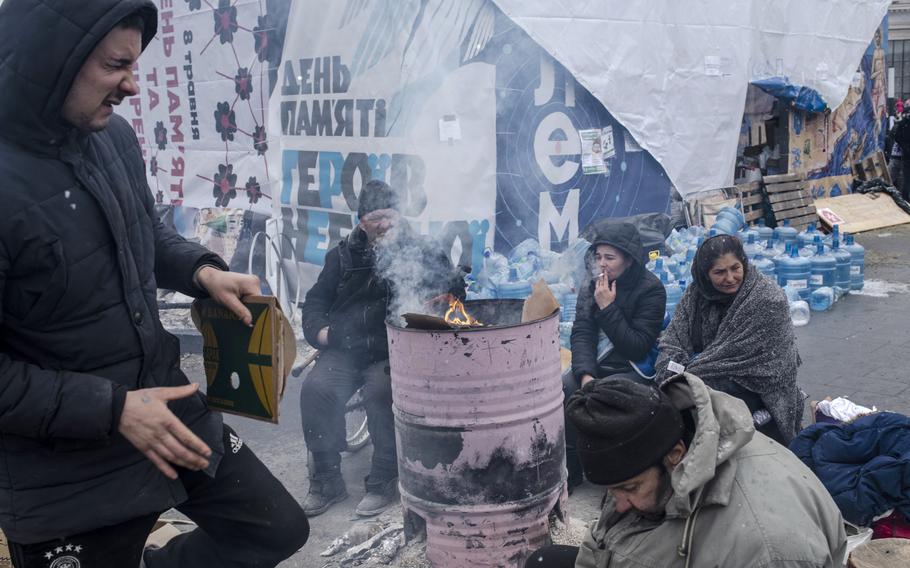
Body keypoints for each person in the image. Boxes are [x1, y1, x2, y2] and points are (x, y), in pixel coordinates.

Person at [0, 1, 308, 566]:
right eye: (116, 67)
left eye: (136, 66)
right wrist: (113, 408)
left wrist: (202, 272)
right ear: (55, 62)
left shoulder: (112, 138)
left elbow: (144, 233)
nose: (133, 87)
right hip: (63, 471)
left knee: (275, 530)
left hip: (167, 410)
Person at [526, 375, 847, 568]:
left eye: (630, 488)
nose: (619, 503)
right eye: (612, 491)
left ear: (675, 456)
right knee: (545, 562)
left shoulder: (768, 550)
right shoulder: (658, 457)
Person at [299, 179, 465, 517]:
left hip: (393, 350)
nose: (384, 224)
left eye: (390, 215)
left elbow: (455, 288)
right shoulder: (343, 255)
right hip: (345, 348)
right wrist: (322, 335)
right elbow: (315, 303)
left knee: (381, 391)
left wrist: (447, 296)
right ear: (361, 220)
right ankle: (327, 479)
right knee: (315, 389)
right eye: (376, 217)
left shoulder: (422, 251)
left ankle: (383, 479)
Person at [655, 234, 802, 444]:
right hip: (701, 374)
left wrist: (689, 373)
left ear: (744, 264)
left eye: (735, 268)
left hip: (756, 386)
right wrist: (673, 368)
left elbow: (767, 365)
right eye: (719, 272)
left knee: (687, 399)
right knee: (674, 393)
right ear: (705, 274)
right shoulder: (697, 295)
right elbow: (673, 338)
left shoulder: (767, 299)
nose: (730, 278)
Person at [564, 221, 666, 490]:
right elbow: (582, 332)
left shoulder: (651, 290)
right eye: (598, 257)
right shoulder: (592, 284)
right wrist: (585, 375)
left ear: (629, 259)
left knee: (609, 395)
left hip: (632, 365)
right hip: (597, 364)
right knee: (566, 388)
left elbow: (637, 346)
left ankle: (618, 477)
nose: (602, 264)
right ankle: (572, 472)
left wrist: (607, 308)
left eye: (610, 257)